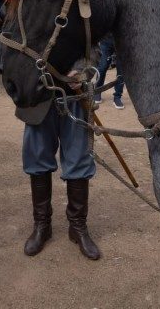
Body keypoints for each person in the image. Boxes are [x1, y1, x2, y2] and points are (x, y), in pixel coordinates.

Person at [19, 68, 100, 261]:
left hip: (75, 98)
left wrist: (82, 74)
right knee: (37, 159)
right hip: (38, 97)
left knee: (79, 158)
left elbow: (94, 49)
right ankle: (42, 225)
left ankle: (78, 226)